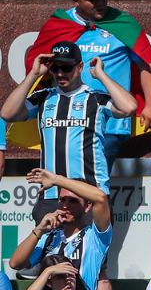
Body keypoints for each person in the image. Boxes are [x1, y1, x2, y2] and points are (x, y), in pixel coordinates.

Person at [25, 0, 151, 158]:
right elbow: (38, 70)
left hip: (111, 123)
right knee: (69, 181)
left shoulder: (123, 24)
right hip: (67, 121)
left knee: (91, 180)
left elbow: (146, 65)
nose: (101, 3)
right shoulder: (59, 25)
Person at [1, 43, 134, 225]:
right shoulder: (43, 97)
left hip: (88, 195)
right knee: (50, 254)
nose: (61, 73)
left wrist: (102, 75)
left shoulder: (96, 98)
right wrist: (34, 75)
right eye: (55, 68)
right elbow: (7, 113)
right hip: (51, 196)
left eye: (67, 68)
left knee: (89, 253)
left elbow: (129, 107)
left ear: (80, 67)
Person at [7, 167, 114, 290]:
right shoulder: (49, 237)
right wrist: (39, 230)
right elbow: (15, 263)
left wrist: (56, 180)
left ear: (87, 206)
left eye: (73, 201)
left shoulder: (95, 237)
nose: (65, 206)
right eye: (62, 200)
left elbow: (100, 198)